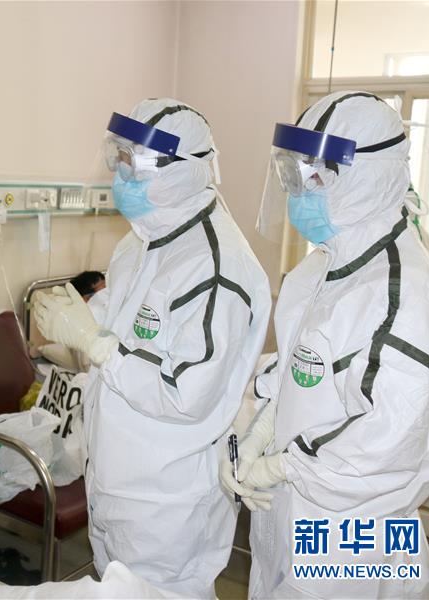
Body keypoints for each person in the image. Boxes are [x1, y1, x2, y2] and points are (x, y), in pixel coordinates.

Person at [35, 98, 272, 598]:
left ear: (180, 172)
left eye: (133, 163)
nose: (120, 173)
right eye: (117, 157)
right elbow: (123, 323)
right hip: (118, 485)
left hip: (167, 504)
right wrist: (79, 320)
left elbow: (186, 394)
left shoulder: (216, 268)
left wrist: (95, 343)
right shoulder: (144, 239)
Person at [223, 91, 429, 598]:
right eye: (295, 173)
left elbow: (384, 444)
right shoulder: (325, 266)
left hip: (354, 541)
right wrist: (258, 432)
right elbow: (302, 375)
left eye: (318, 176)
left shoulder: (403, 299)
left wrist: (281, 465)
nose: (300, 190)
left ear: (369, 178)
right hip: (297, 513)